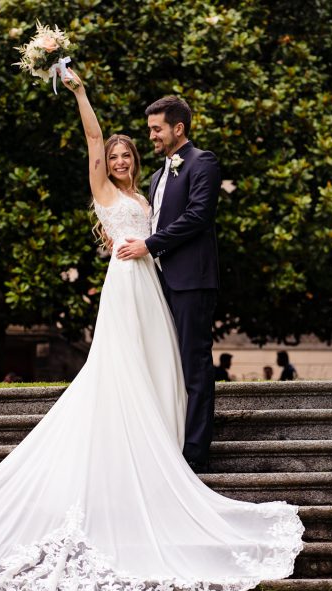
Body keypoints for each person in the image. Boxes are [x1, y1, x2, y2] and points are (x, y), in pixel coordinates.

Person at [0, 70, 303, 591]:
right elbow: (93, 142)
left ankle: (178, 450)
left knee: (168, 363)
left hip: (157, 284)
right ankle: (155, 454)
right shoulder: (112, 189)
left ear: (166, 136)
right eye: (116, 153)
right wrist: (79, 93)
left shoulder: (161, 180)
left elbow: (191, 218)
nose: (123, 157)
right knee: (122, 368)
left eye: (135, 146)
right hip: (129, 282)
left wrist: (149, 243)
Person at [116, 95, 220, 473]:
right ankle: (171, 437)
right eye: (149, 129)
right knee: (166, 362)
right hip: (159, 281)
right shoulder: (158, 176)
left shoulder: (202, 162)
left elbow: (197, 216)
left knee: (194, 362)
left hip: (192, 279)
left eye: (157, 129)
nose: (152, 136)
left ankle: (195, 452)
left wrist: (149, 245)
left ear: (178, 128)